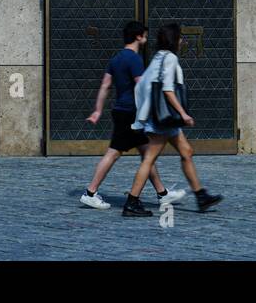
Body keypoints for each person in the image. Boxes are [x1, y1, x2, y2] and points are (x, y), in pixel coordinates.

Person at [80, 20, 185, 210]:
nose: (146, 38)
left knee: (147, 154)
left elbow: (105, 85)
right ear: (138, 36)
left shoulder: (116, 59)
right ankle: (90, 192)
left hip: (121, 111)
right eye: (144, 34)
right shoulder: (134, 59)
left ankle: (163, 193)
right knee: (114, 154)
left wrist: (97, 110)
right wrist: (153, 109)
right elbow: (141, 85)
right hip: (131, 113)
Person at [122, 22, 223, 217]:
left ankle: (201, 196)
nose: (182, 40)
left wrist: (143, 114)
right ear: (174, 40)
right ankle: (131, 202)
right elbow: (167, 90)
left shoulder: (158, 58)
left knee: (186, 151)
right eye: (180, 37)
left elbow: (143, 86)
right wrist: (183, 114)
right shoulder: (169, 59)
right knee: (149, 159)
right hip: (164, 119)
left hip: (163, 118)